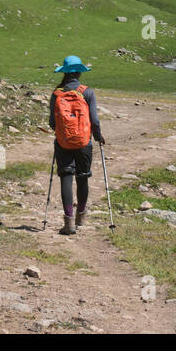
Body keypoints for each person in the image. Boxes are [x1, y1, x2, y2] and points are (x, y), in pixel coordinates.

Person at [49, 55, 104, 235]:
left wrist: (62, 132)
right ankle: (81, 216)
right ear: (79, 72)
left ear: (64, 72)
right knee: (82, 177)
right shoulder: (87, 92)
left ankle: (68, 222)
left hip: (63, 143)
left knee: (66, 177)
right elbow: (94, 121)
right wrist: (98, 137)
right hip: (84, 143)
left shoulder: (56, 93)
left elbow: (52, 122)